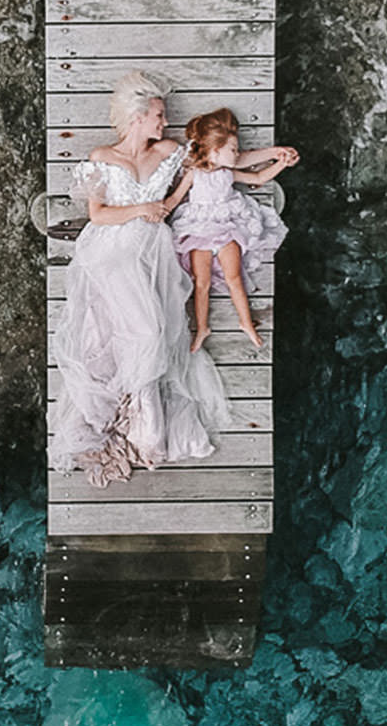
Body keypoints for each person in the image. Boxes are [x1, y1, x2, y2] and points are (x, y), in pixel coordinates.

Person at [49, 72, 235, 487]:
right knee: (142, 330)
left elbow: (208, 160)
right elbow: (98, 215)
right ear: (137, 118)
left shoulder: (168, 152)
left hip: (153, 250)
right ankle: (131, 413)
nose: (165, 123)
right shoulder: (102, 156)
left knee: (157, 329)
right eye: (158, 115)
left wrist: (169, 202)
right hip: (112, 250)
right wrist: (141, 209)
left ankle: (142, 419)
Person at [165, 108, 296, 352]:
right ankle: (202, 328)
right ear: (216, 150)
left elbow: (258, 177)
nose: (237, 154)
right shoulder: (194, 173)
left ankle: (246, 322)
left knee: (234, 278)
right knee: (201, 282)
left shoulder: (228, 173)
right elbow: (175, 198)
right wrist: (157, 211)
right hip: (198, 229)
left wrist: (281, 163)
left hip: (227, 227)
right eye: (233, 149)